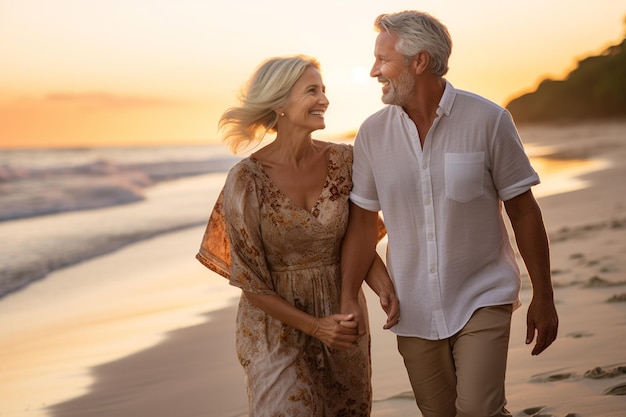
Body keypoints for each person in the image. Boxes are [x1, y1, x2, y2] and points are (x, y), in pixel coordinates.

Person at [340, 11, 559, 417]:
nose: (374, 71)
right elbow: (362, 225)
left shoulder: (489, 120)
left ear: (419, 61)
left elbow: (524, 211)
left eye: (383, 60)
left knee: (478, 409)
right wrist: (349, 294)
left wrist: (543, 296)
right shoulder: (372, 134)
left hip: (482, 293)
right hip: (411, 307)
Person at [195, 55, 399, 417]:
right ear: (280, 104)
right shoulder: (246, 181)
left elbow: (359, 234)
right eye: (311, 91)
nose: (324, 99)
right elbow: (251, 282)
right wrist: (315, 327)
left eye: (323, 90)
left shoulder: (345, 161)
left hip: (342, 312)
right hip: (273, 329)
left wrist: (382, 284)